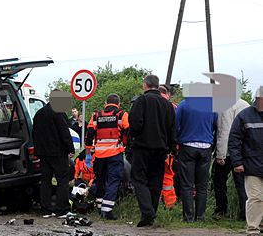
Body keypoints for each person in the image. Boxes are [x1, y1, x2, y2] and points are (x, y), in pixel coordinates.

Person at [128, 74, 177, 227]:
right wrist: (171, 147)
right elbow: (172, 128)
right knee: (156, 182)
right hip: (161, 149)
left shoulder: (141, 101)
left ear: (145, 85)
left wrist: (133, 137)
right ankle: (151, 214)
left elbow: (134, 123)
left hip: (142, 147)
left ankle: (147, 211)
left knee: (139, 179)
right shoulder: (167, 105)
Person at [175, 93, 218, 222]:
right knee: (202, 185)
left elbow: (176, 125)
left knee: (187, 184)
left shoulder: (183, 105)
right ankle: (200, 216)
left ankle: (188, 217)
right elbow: (215, 126)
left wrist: (176, 142)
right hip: (206, 147)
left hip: (187, 146)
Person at [85, 94, 129, 220]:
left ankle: (100, 206)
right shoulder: (122, 115)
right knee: (113, 180)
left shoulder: (96, 115)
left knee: (100, 180)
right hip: (115, 154)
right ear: (118, 104)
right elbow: (128, 131)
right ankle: (107, 209)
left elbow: (89, 135)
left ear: (106, 103)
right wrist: (125, 144)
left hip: (99, 154)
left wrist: (88, 154)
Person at [228, 86, 263, 236]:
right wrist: (237, 162)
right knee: (255, 197)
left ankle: (261, 224)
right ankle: (253, 228)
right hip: (252, 165)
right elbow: (234, 140)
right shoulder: (244, 116)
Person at [32, 90, 75, 216]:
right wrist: (70, 149)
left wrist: (37, 150)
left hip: (43, 153)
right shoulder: (58, 112)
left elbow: (34, 133)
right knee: (62, 180)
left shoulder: (39, 113)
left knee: (45, 181)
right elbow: (64, 132)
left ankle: (46, 209)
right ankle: (62, 209)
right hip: (57, 152)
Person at [214, 95, 251, 219]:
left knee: (219, 182)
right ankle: (245, 213)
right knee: (242, 184)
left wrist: (220, 154)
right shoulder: (246, 105)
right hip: (244, 152)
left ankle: (221, 210)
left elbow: (224, 131)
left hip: (228, 153)